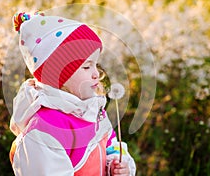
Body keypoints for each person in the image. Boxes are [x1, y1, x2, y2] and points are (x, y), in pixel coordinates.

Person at [9, 11, 136, 176]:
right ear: (59, 76)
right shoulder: (45, 129)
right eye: (86, 66)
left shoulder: (91, 109)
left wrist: (118, 165)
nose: (96, 74)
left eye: (95, 65)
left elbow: (111, 144)